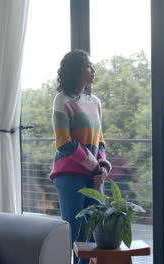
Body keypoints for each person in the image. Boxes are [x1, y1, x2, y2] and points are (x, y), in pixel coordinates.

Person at [49, 49, 112, 264]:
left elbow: (99, 140)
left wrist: (102, 166)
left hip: (94, 175)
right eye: (88, 66)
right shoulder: (62, 100)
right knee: (71, 230)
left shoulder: (95, 101)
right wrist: (95, 166)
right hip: (69, 174)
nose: (92, 70)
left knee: (93, 230)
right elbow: (64, 143)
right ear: (76, 70)